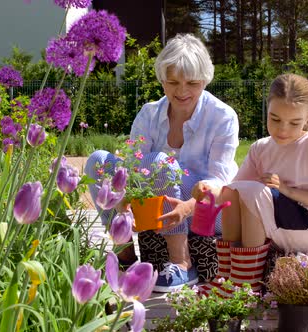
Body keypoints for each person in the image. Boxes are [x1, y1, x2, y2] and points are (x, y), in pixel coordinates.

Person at [84, 33, 239, 292]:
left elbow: (219, 181)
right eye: (173, 81)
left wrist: (187, 207)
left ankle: (181, 262)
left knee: (158, 162)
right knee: (98, 161)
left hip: (210, 210)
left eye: (192, 82)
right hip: (159, 206)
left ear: (205, 80)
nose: (182, 91)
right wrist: (125, 199)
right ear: (162, 79)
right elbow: (132, 168)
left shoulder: (223, 116)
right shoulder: (149, 113)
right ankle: (124, 253)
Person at [195, 73, 308, 296]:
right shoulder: (261, 147)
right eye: (274, 119)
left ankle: (246, 284)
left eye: (295, 123)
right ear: (266, 108)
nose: (282, 130)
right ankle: (226, 277)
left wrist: (287, 191)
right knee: (237, 192)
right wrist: (206, 191)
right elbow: (233, 193)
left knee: (253, 191)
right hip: (277, 227)